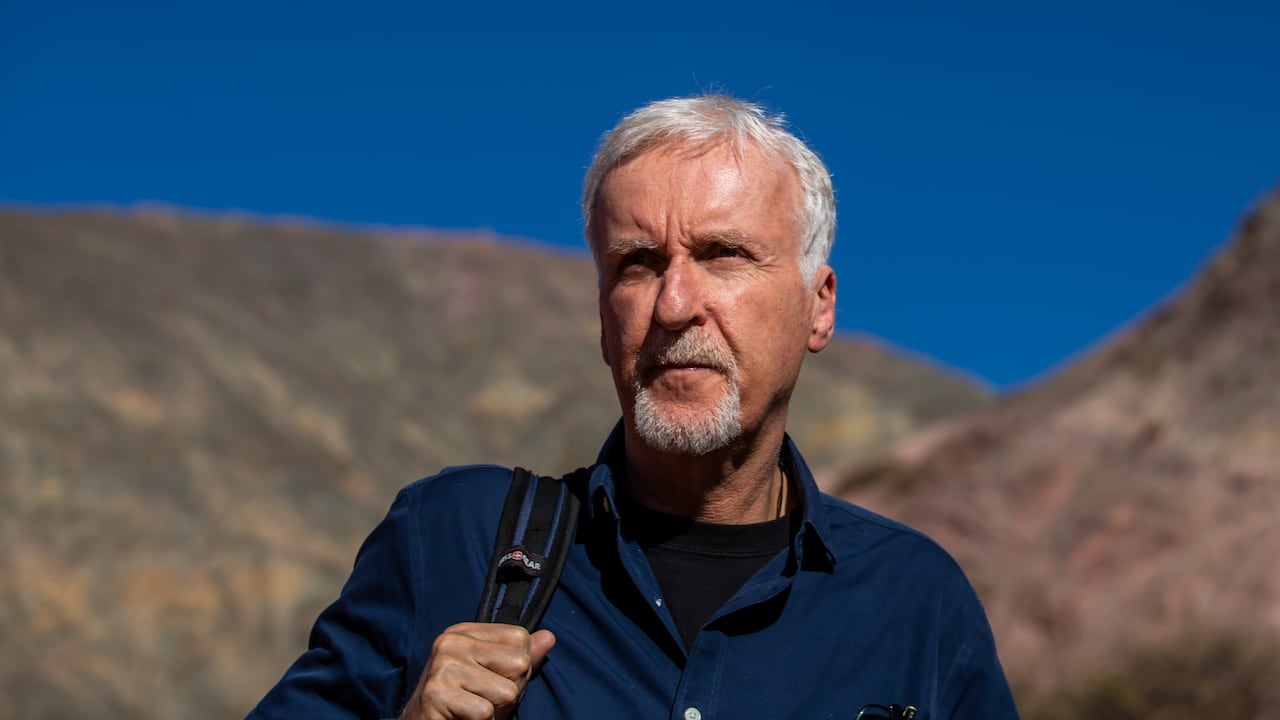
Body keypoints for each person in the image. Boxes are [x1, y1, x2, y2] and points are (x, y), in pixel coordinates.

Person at [247, 95, 1020, 719]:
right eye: (638, 264)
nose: (675, 304)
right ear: (603, 314)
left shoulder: (916, 605)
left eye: (724, 255)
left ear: (818, 307)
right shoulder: (454, 541)